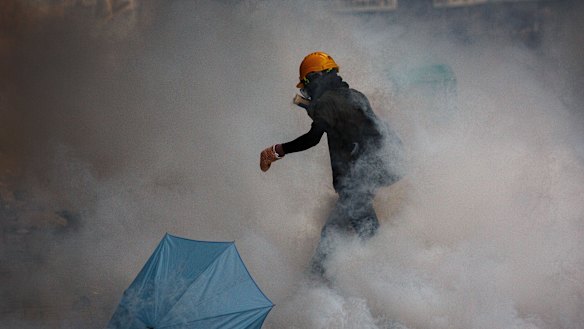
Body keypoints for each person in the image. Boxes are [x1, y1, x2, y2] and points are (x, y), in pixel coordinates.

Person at [260, 51, 404, 276]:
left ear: (315, 80)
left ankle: (388, 275)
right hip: (385, 163)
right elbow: (339, 117)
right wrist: (313, 108)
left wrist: (277, 151)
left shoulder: (327, 103)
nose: (305, 91)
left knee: (338, 234)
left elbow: (313, 137)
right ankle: (384, 274)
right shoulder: (354, 95)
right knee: (345, 230)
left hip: (363, 173)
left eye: (306, 85)